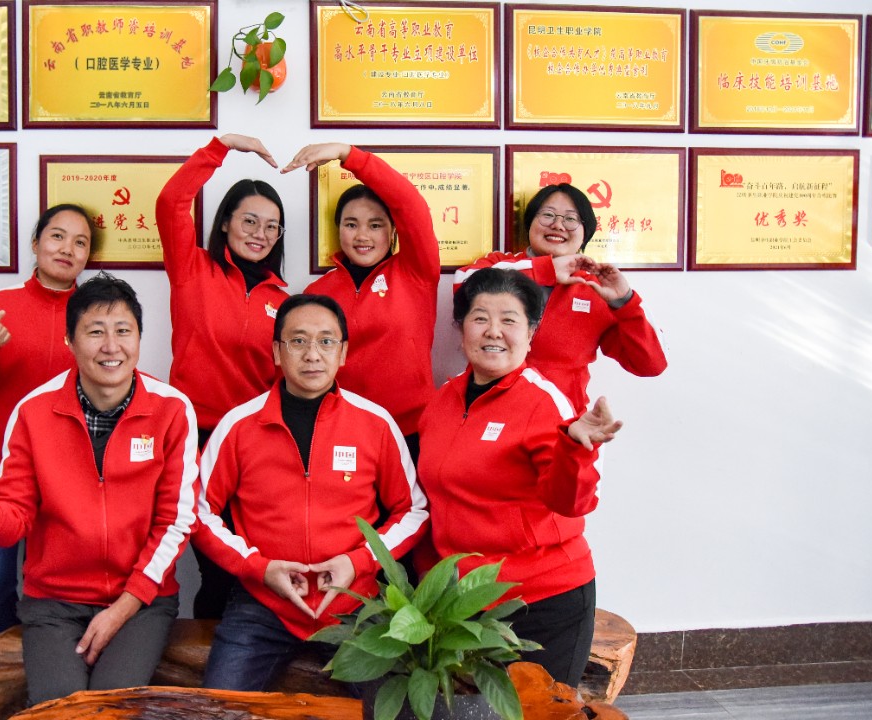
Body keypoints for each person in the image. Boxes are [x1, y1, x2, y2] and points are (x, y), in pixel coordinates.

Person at [0, 273, 197, 706]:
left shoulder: (172, 410)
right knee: (57, 708)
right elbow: (13, 518)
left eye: (124, 331)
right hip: (54, 602)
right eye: (95, 332)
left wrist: (124, 606)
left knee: (111, 706)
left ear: (140, 338)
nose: (111, 346)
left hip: (141, 600)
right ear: (70, 340)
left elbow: (175, 521)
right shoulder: (33, 411)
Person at [193, 294, 429, 691]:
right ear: (276, 352)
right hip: (263, 604)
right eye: (298, 341)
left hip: (356, 603)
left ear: (343, 353)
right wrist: (258, 569)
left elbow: (414, 510)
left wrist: (358, 562)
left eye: (326, 341)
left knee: (395, 708)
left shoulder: (375, 423)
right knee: (219, 706)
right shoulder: (239, 425)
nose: (312, 354)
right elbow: (198, 511)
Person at [415, 268, 623, 686]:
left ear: (530, 333)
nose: (493, 331)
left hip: (542, 601)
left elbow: (572, 503)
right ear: (461, 329)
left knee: (538, 711)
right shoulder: (443, 400)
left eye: (509, 320)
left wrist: (576, 448)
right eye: (480, 318)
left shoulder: (543, 402)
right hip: (466, 602)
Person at [156, 134, 290, 619]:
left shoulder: (284, 299)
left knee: (248, 555)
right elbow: (171, 202)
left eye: (271, 226)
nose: (260, 233)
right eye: (249, 220)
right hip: (195, 437)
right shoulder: (192, 269)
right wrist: (222, 145)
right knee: (213, 560)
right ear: (226, 222)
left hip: (253, 443)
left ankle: (246, 646)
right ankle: (211, 649)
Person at [0, 204, 93, 638]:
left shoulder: (92, 312)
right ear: (35, 243)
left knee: (53, 588)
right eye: (57, 236)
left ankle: (44, 658)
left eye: (80, 242)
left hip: (64, 477)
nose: (67, 249)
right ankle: (9, 658)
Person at [282, 143, 440, 456]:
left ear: (393, 231)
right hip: (342, 430)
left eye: (375, 225)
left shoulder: (416, 272)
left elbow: (411, 205)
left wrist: (347, 154)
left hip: (411, 430)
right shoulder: (317, 293)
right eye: (351, 224)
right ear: (338, 229)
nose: (362, 236)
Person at [454, 183, 666, 412]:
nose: (558, 225)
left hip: (560, 422)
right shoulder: (501, 265)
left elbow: (651, 364)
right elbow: (463, 284)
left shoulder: (596, 288)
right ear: (530, 223)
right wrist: (546, 270)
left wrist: (624, 301)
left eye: (571, 219)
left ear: (586, 232)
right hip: (486, 413)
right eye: (547, 215)